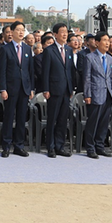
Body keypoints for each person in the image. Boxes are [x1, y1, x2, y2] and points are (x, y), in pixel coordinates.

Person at [0, 21, 34, 157]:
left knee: (21, 118)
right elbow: (1, 71)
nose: (20, 32)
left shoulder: (26, 49)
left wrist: (31, 88)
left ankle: (19, 146)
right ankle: (6, 146)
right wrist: (3, 88)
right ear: (11, 32)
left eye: (22, 30)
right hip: (10, 88)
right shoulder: (5, 49)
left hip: (24, 88)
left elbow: (30, 70)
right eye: (18, 30)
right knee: (8, 117)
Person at [42, 23, 74, 158]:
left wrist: (71, 88)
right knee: (52, 119)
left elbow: (70, 70)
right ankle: (50, 147)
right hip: (54, 90)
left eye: (66, 32)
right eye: (62, 32)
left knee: (62, 120)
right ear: (55, 35)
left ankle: (60, 146)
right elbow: (45, 72)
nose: (65, 34)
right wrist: (46, 89)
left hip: (66, 90)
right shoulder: (49, 50)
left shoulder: (69, 50)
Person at [83, 31, 112, 159]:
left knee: (104, 123)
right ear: (97, 43)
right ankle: (90, 148)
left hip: (107, 94)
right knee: (93, 122)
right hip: (95, 94)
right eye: (104, 40)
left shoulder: (110, 58)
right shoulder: (89, 58)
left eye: (109, 40)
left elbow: (111, 77)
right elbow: (87, 78)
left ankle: (100, 146)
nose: (107, 43)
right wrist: (88, 95)